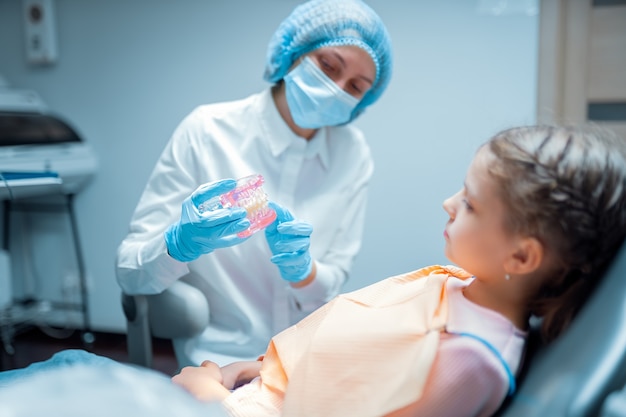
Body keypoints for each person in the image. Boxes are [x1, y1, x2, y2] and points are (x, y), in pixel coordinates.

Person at [168, 124, 626, 417]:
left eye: (469, 202)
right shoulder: (457, 288)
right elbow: (349, 362)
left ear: (521, 258)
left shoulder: (471, 362)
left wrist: (209, 399)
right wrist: (252, 371)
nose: (448, 204)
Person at [115, 0, 393, 368]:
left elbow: (333, 280)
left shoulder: (352, 154)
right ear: (294, 52)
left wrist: (304, 271)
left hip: (305, 357)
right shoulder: (207, 132)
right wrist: (178, 245)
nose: (336, 89)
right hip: (218, 361)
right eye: (328, 65)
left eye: (356, 87)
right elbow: (129, 273)